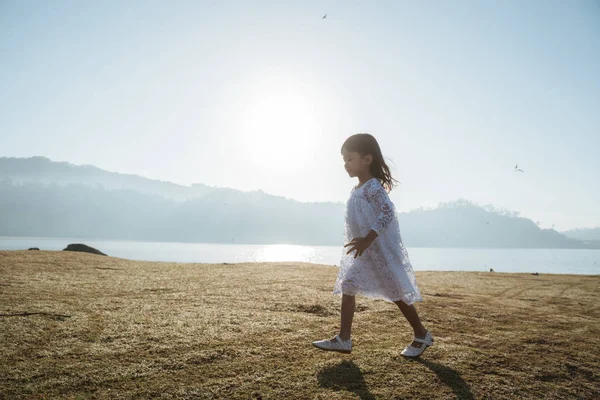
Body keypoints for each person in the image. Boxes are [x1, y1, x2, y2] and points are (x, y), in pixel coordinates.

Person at [312, 133, 433, 357]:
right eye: (344, 160)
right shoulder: (357, 189)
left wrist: (368, 238)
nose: (346, 165)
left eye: (350, 159)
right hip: (364, 252)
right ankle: (344, 339)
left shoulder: (373, 187)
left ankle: (421, 333)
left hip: (378, 250)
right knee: (348, 284)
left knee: (395, 291)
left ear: (367, 159)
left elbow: (388, 212)